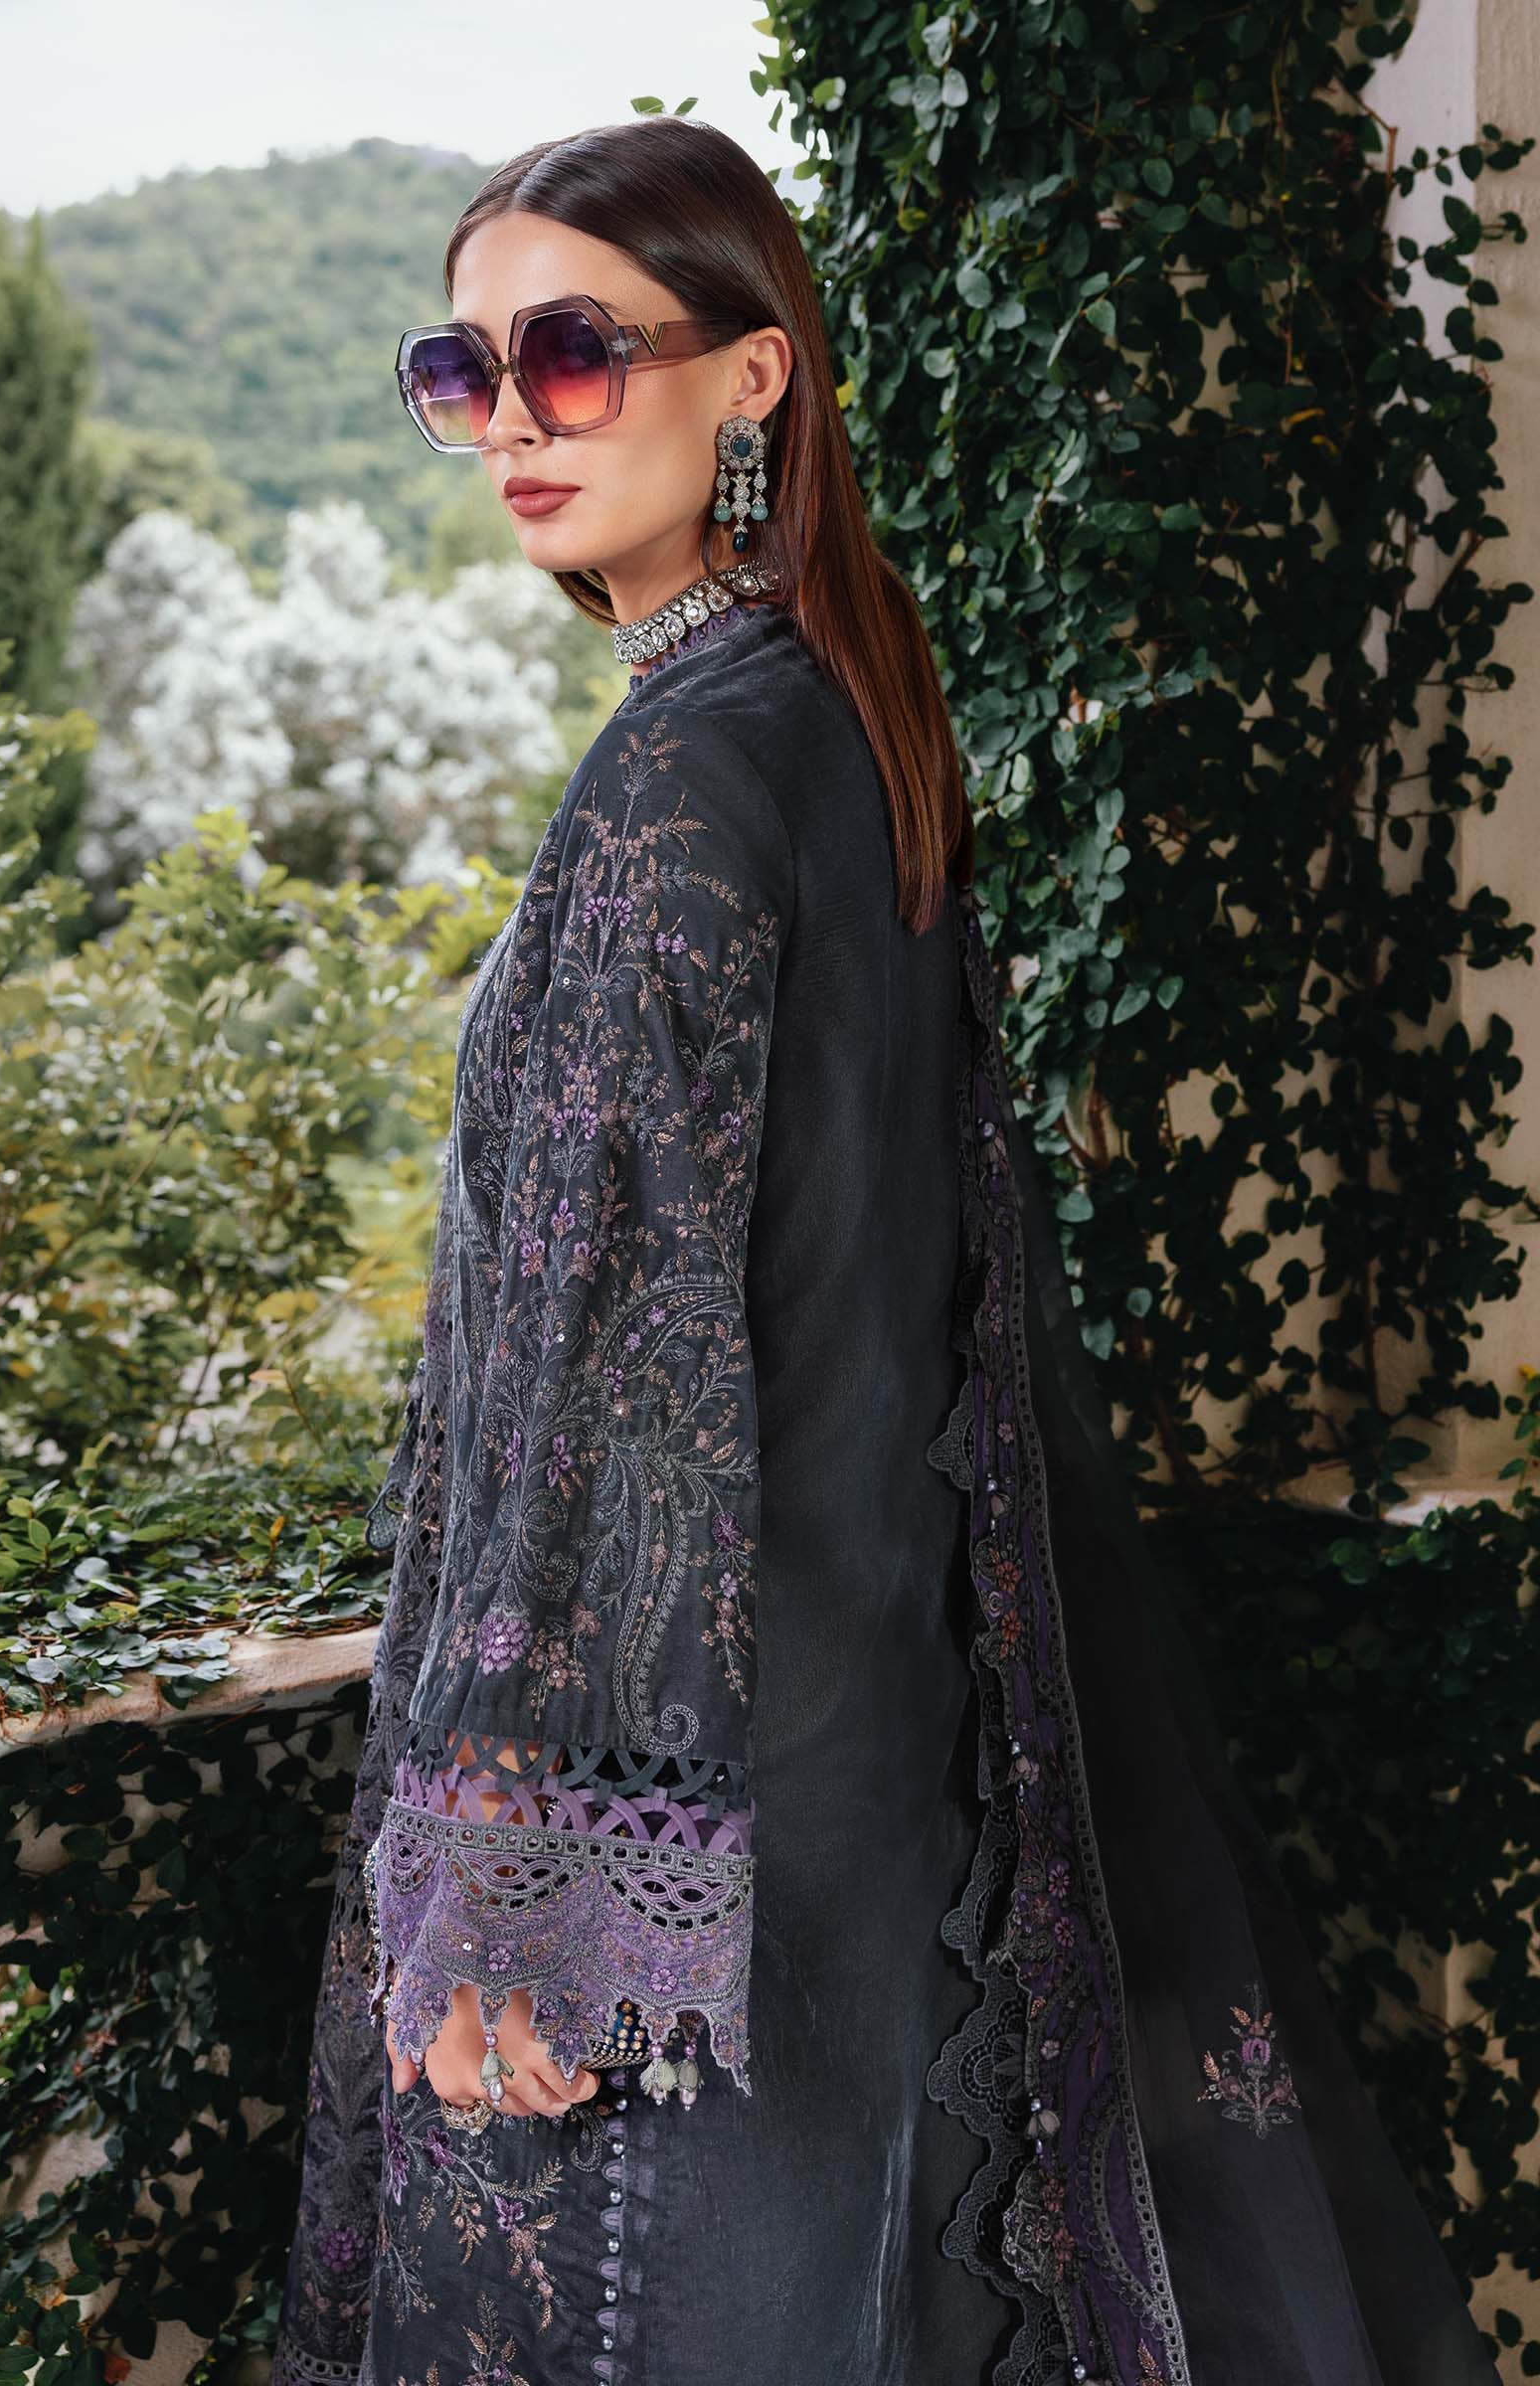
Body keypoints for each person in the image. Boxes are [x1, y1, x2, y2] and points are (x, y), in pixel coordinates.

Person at [272, 114, 1500, 2386]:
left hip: (675, 1844)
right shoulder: (843, 732)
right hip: (861, 1775)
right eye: (467, 372)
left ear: (751, 382)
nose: (516, 421)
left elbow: (600, 1360)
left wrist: (508, 1887)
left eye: (574, 352)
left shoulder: (681, 783)